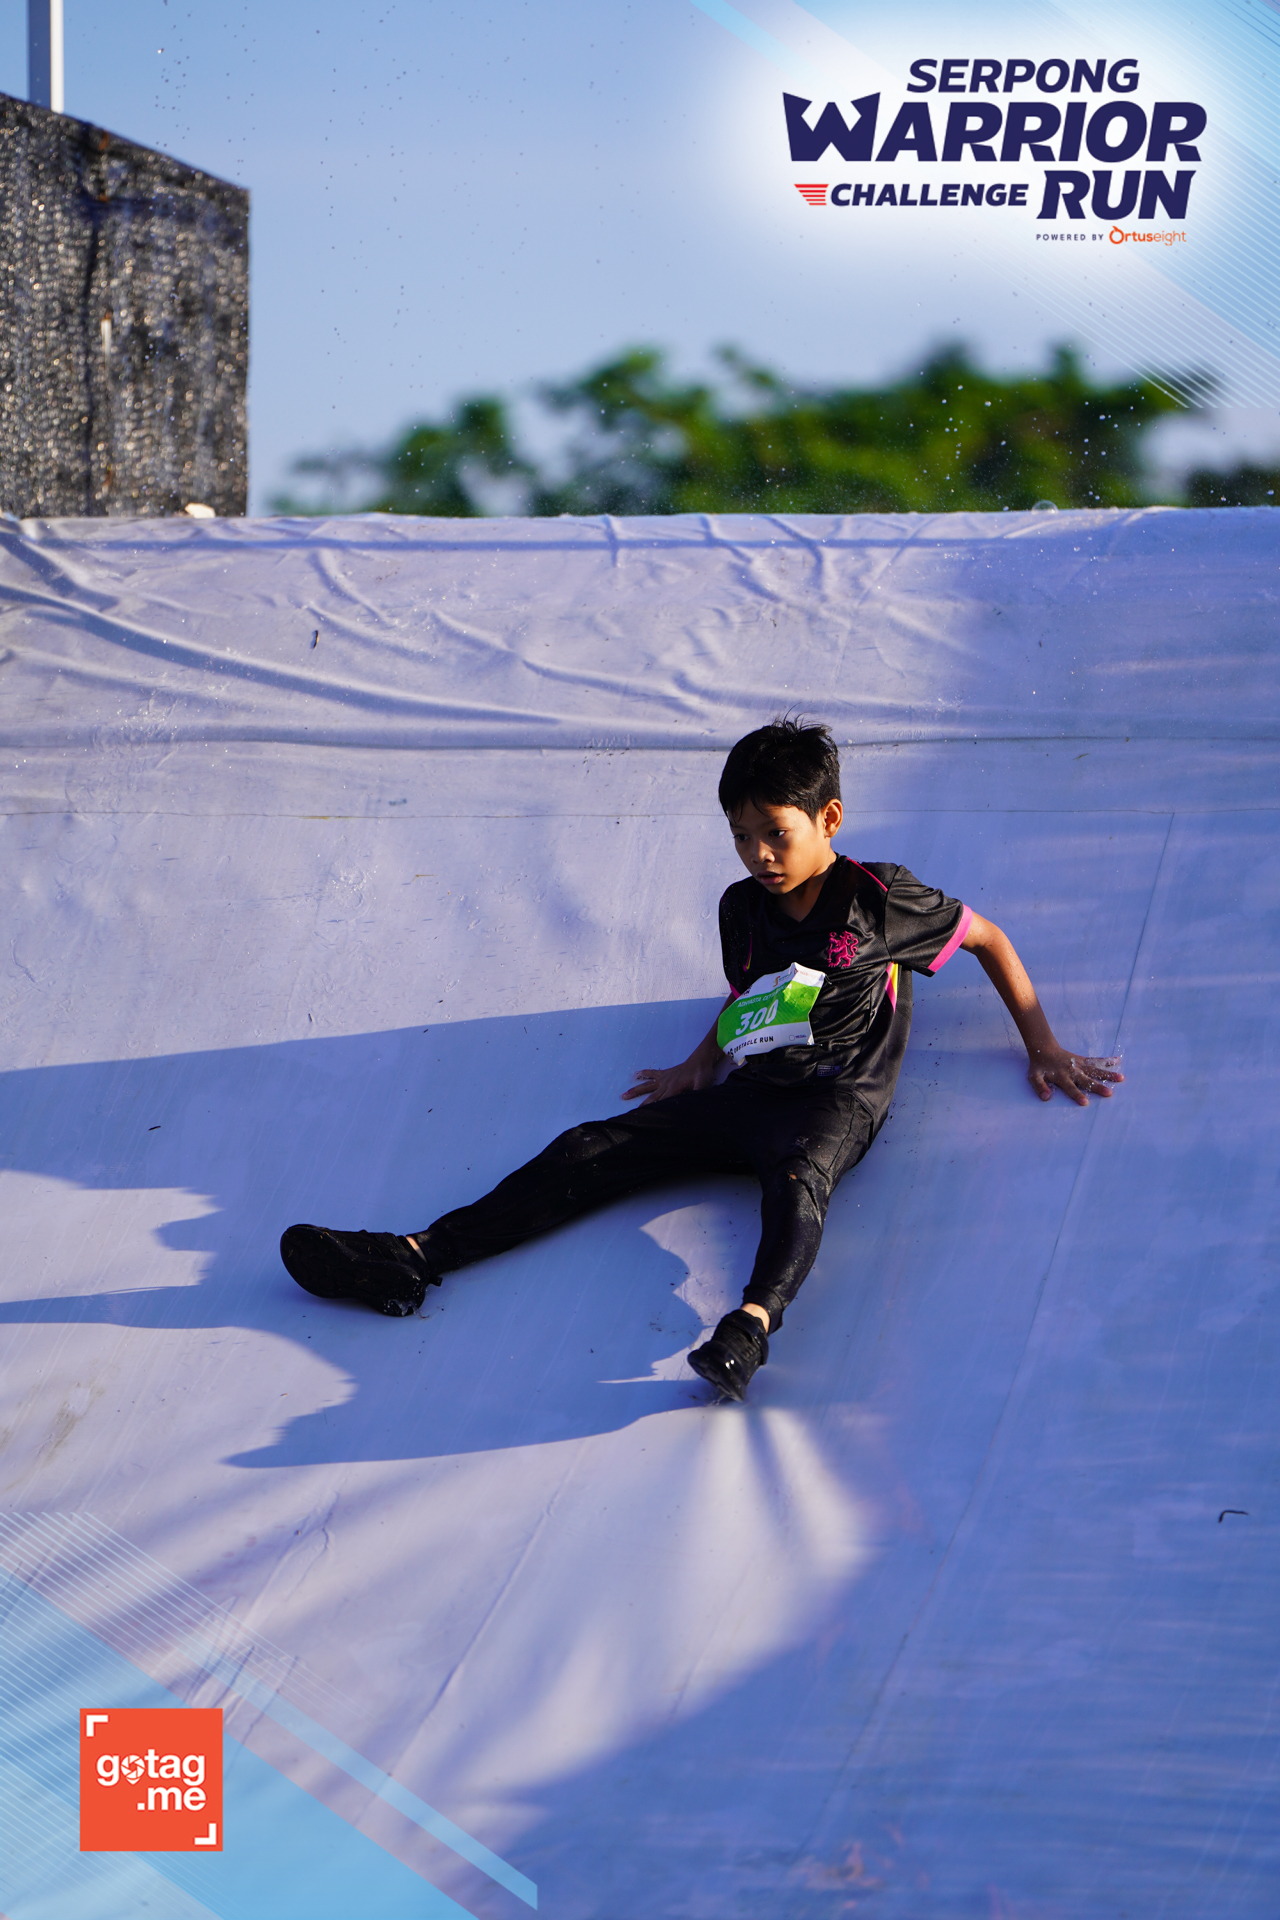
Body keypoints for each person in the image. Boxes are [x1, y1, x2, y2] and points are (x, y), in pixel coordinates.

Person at [280, 719, 1122, 1401]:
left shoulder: (877, 898)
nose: (759, 854)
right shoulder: (740, 909)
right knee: (591, 1146)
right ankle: (415, 1255)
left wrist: (1043, 1046)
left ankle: (749, 1327)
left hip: (837, 1099)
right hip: (754, 1092)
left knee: (798, 1185)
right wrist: (698, 1062)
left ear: (828, 820)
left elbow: (987, 937)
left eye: (776, 834)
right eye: (742, 836)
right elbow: (752, 996)